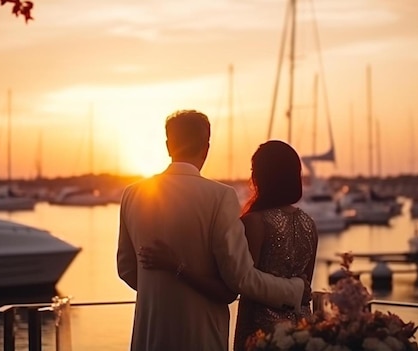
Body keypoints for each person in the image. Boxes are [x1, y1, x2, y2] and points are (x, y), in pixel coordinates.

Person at [117, 110, 310, 351]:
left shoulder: (133, 194)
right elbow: (238, 278)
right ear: (206, 148)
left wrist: (161, 289)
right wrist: (295, 289)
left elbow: (126, 269)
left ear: (168, 146)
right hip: (201, 335)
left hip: (148, 335)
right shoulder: (220, 197)